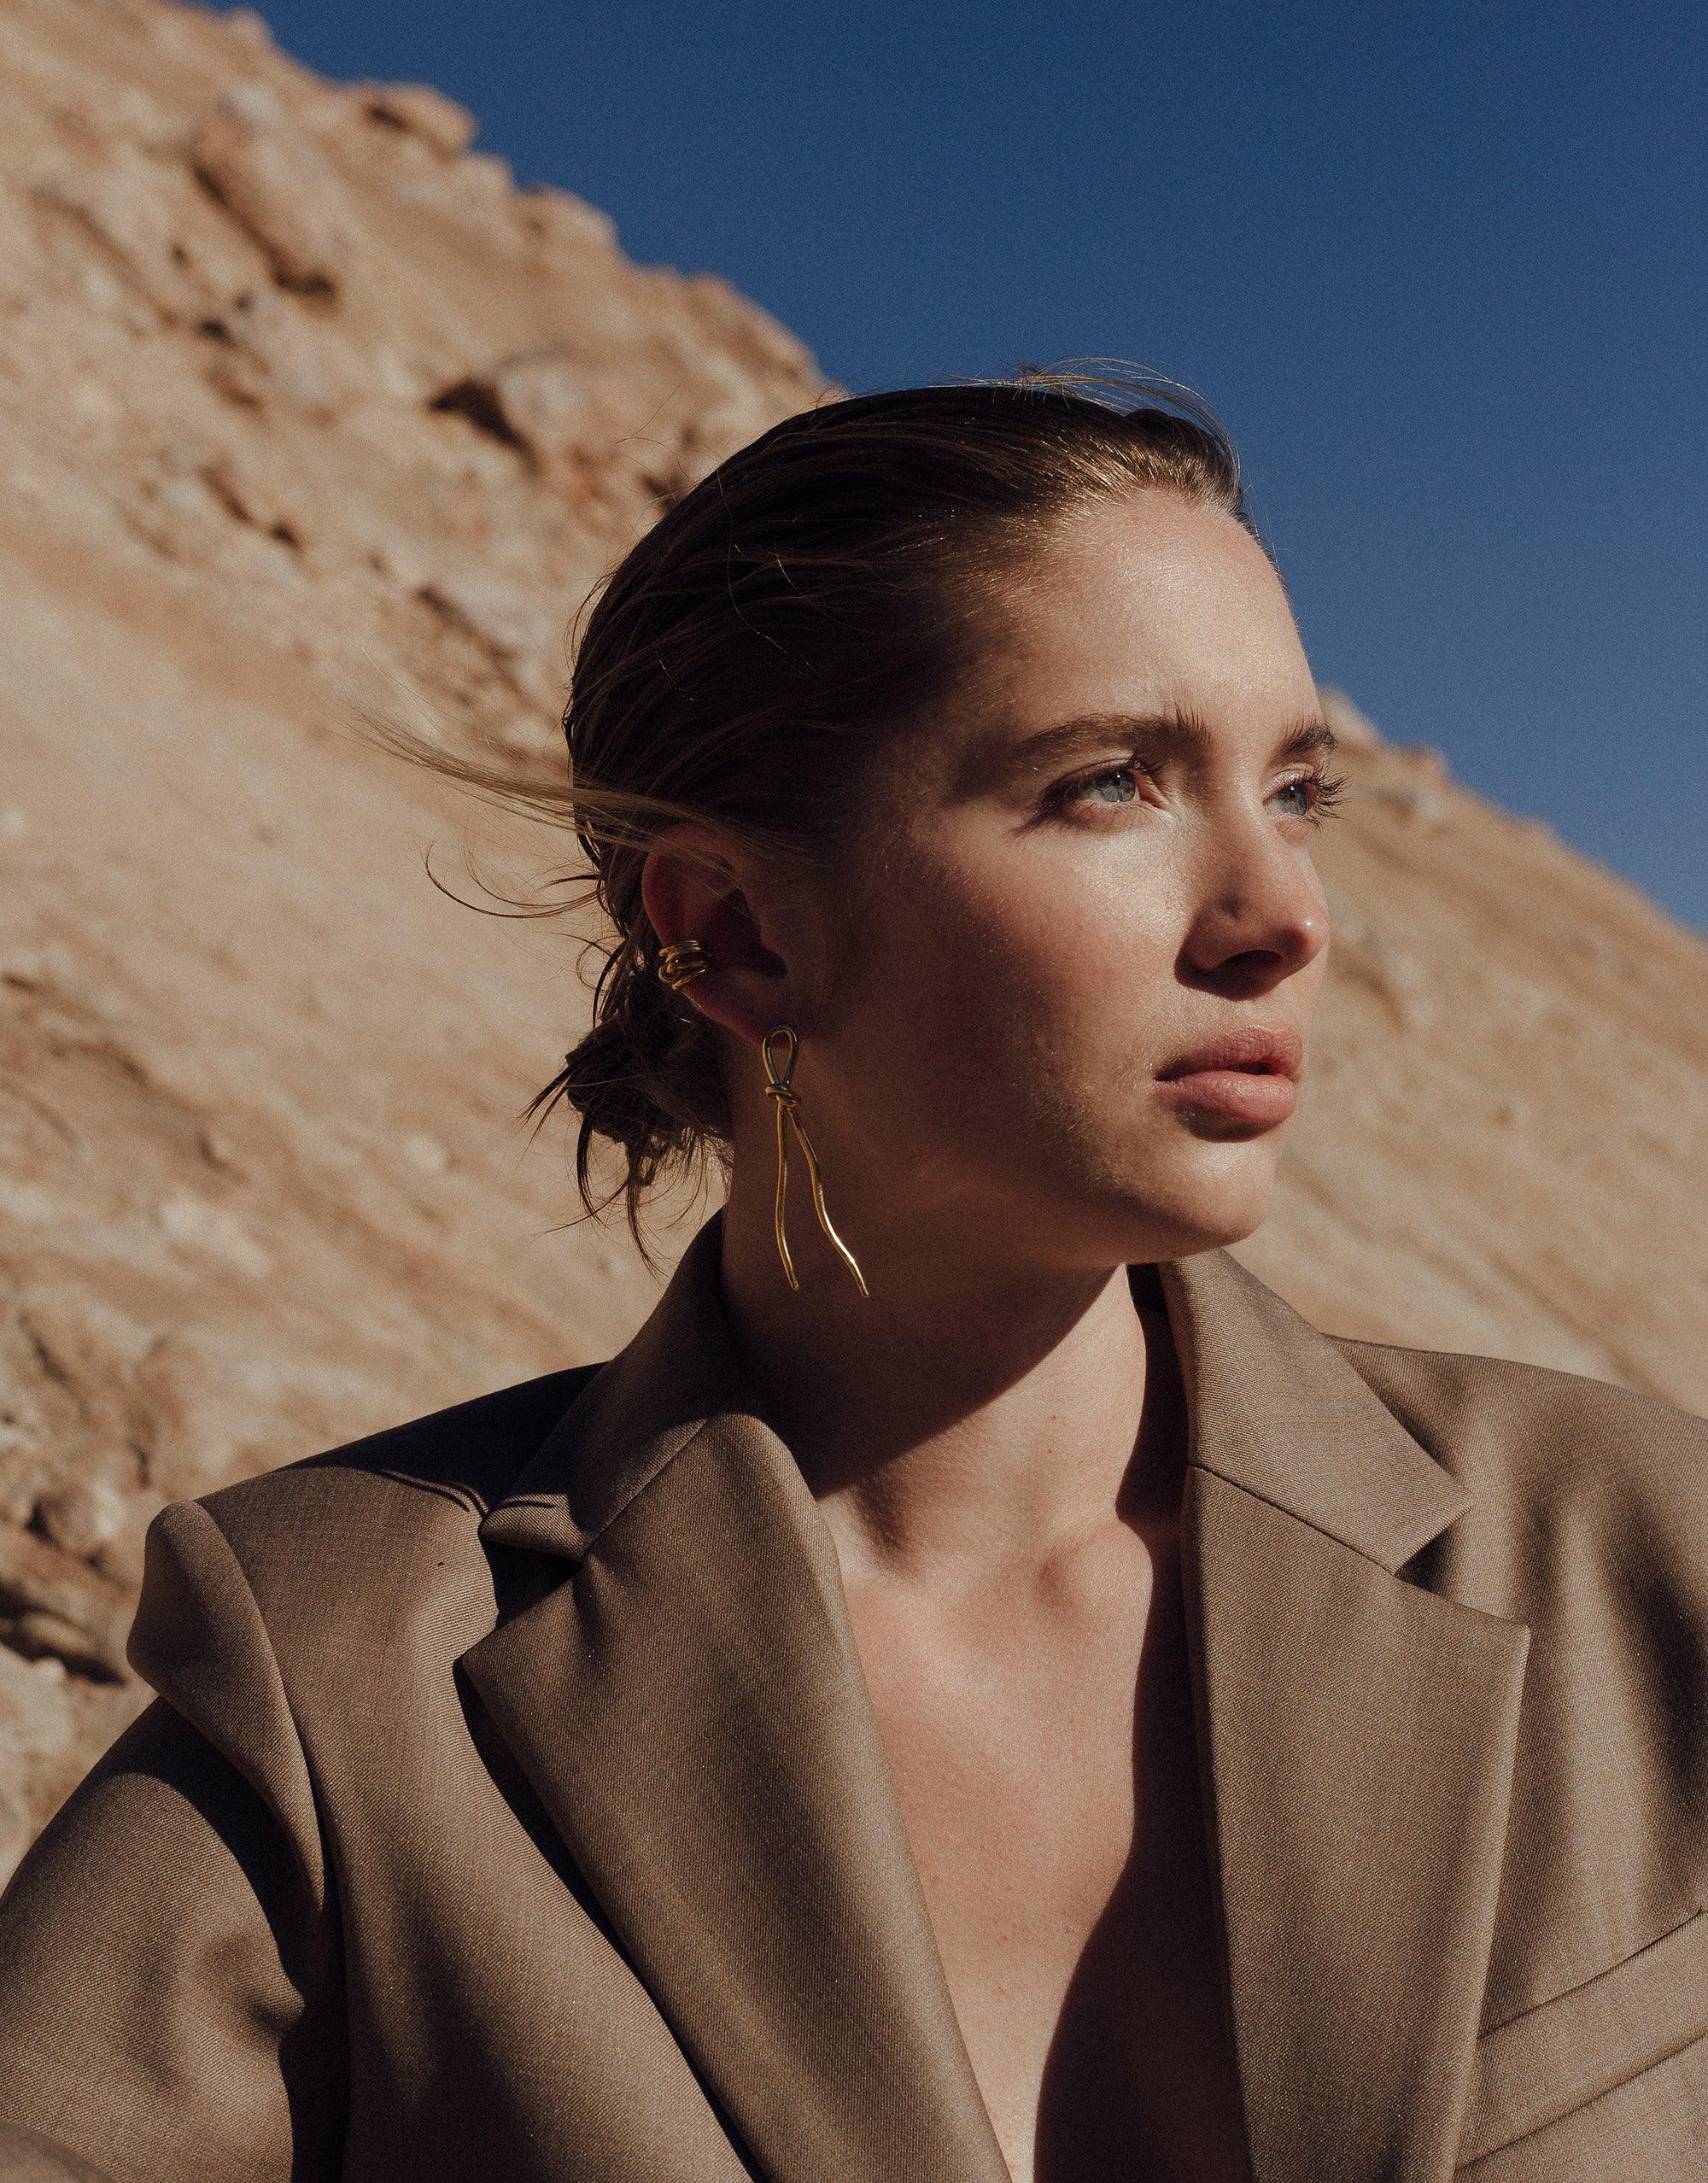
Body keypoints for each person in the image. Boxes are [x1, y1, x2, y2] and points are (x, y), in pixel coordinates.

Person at [2, 368, 1705, 2183]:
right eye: (1110, 785)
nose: (1280, 914)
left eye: (1294, 791)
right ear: (737, 934)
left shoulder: (1632, 1556)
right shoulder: (345, 1676)